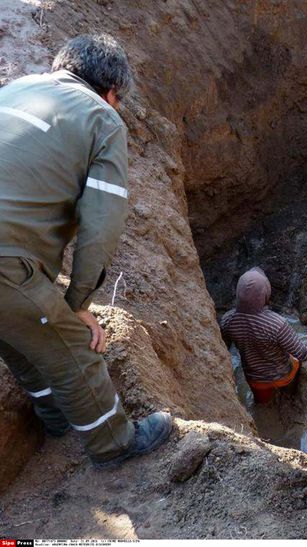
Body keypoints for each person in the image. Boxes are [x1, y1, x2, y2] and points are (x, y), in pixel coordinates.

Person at [0, 34, 172, 469]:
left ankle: (54, 419)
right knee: (73, 346)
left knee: (16, 333)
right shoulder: (103, 119)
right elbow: (102, 224)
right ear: (111, 92)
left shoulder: (15, 88)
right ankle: (114, 445)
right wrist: (77, 302)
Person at [221, 267, 307, 403]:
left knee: (262, 403)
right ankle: (292, 395)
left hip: (256, 381)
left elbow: (223, 350)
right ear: (266, 294)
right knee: (295, 364)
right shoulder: (277, 324)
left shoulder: (227, 320)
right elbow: (303, 353)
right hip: (283, 377)